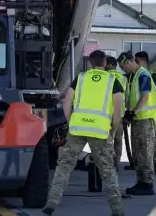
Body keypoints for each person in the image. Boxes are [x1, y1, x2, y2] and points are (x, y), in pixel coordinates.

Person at [44, 50, 124, 216]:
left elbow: (67, 101)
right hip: (101, 131)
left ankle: (52, 201)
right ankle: (117, 208)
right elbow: (118, 110)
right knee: (107, 170)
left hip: (77, 128)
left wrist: (70, 121)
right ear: (104, 63)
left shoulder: (80, 78)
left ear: (90, 63)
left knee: (64, 165)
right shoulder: (113, 80)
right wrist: (113, 130)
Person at [118, 51, 156, 196]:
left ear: (127, 63)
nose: (122, 70)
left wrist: (132, 113)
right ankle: (141, 181)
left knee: (144, 152)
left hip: (144, 120)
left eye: (122, 67)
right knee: (138, 152)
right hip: (139, 120)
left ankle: (147, 184)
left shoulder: (143, 75)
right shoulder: (134, 77)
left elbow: (145, 97)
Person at [134, 51, 156, 176]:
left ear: (143, 60)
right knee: (149, 142)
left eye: (137, 61)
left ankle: (155, 164)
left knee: (152, 141)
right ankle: (150, 164)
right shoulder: (137, 74)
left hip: (150, 114)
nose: (136, 64)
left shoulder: (151, 76)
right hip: (144, 114)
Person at [105, 55, 128, 168]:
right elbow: (127, 96)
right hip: (120, 114)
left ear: (109, 65)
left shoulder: (106, 76)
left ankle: (107, 162)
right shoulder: (123, 78)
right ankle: (116, 162)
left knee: (106, 138)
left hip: (107, 113)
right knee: (118, 139)